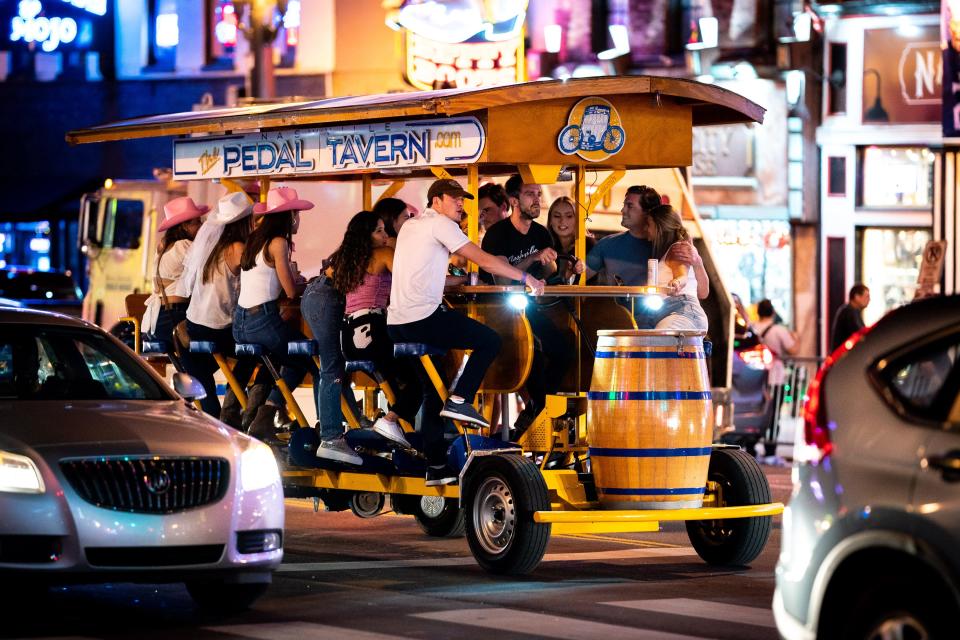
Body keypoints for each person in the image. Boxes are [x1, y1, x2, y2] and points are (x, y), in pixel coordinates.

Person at [387, 178, 545, 486]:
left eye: (463, 199)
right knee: (489, 340)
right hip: (422, 318)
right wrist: (527, 277)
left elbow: (420, 271)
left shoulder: (411, 226)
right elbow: (484, 260)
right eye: (455, 198)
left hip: (397, 324)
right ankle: (462, 399)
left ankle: (435, 465)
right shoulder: (441, 224)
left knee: (434, 388)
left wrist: (451, 281)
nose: (461, 204)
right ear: (437, 201)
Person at [481, 174, 581, 436]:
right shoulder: (497, 234)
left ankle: (537, 410)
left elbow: (548, 273)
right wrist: (533, 259)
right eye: (530, 194)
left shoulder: (540, 233)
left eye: (538, 194)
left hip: (530, 306)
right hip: (499, 310)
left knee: (564, 349)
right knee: (532, 353)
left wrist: (569, 268)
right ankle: (539, 410)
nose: (537, 199)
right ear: (514, 201)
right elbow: (502, 277)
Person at [326, 211, 422, 459]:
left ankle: (396, 430)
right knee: (422, 378)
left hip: (349, 336)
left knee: (400, 379)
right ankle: (391, 421)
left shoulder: (345, 261)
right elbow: (410, 280)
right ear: (365, 236)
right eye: (379, 230)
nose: (385, 235)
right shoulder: (382, 254)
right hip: (372, 329)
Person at [234, 187, 319, 440]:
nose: (299, 219)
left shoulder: (255, 238)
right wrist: (312, 283)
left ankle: (261, 415)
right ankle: (320, 427)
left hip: (240, 322)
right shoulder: (278, 242)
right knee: (310, 357)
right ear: (290, 215)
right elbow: (291, 291)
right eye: (297, 214)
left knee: (291, 355)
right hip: (262, 321)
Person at [180, 191, 266, 424]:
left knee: (207, 369)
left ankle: (221, 414)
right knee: (258, 350)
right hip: (217, 326)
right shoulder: (238, 248)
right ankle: (234, 407)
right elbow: (260, 280)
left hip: (195, 324)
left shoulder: (213, 246)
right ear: (244, 222)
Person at [141, 196, 207, 365]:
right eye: (197, 223)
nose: (201, 226)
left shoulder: (163, 247)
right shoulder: (184, 246)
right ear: (184, 225)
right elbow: (207, 271)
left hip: (158, 321)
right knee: (218, 343)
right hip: (175, 319)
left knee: (198, 363)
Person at [640, 204, 709, 331]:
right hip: (681, 313)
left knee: (654, 344)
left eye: (648, 224)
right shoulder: (673, 249)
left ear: (660, 227)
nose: (645, 229)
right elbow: (703, 293)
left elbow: (682, 275)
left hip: (681, 311)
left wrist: (677, 282)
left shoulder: (677, 248)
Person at [753, 299, 798, 458]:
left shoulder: (752, 328)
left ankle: (751, 446)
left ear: (758, 312)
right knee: (773, 414)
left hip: (754, 377)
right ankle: (770, 450)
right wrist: (795, 337)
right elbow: (793, 350)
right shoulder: (778, 330)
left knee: (754, 412)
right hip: (775, 377)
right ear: (772, 312)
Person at [547, 195, 595, 283]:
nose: (562, 221)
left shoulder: (588, 244)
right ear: (550, 220)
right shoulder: (545, 245)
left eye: (569, 216)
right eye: (557, 216)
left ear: (577, 220)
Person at [830, 284, 870, 351]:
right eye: (867, 296)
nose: (869, 300)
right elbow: (860, 334)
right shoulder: (849, 311)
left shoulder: (852, 311)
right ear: (857, 297)